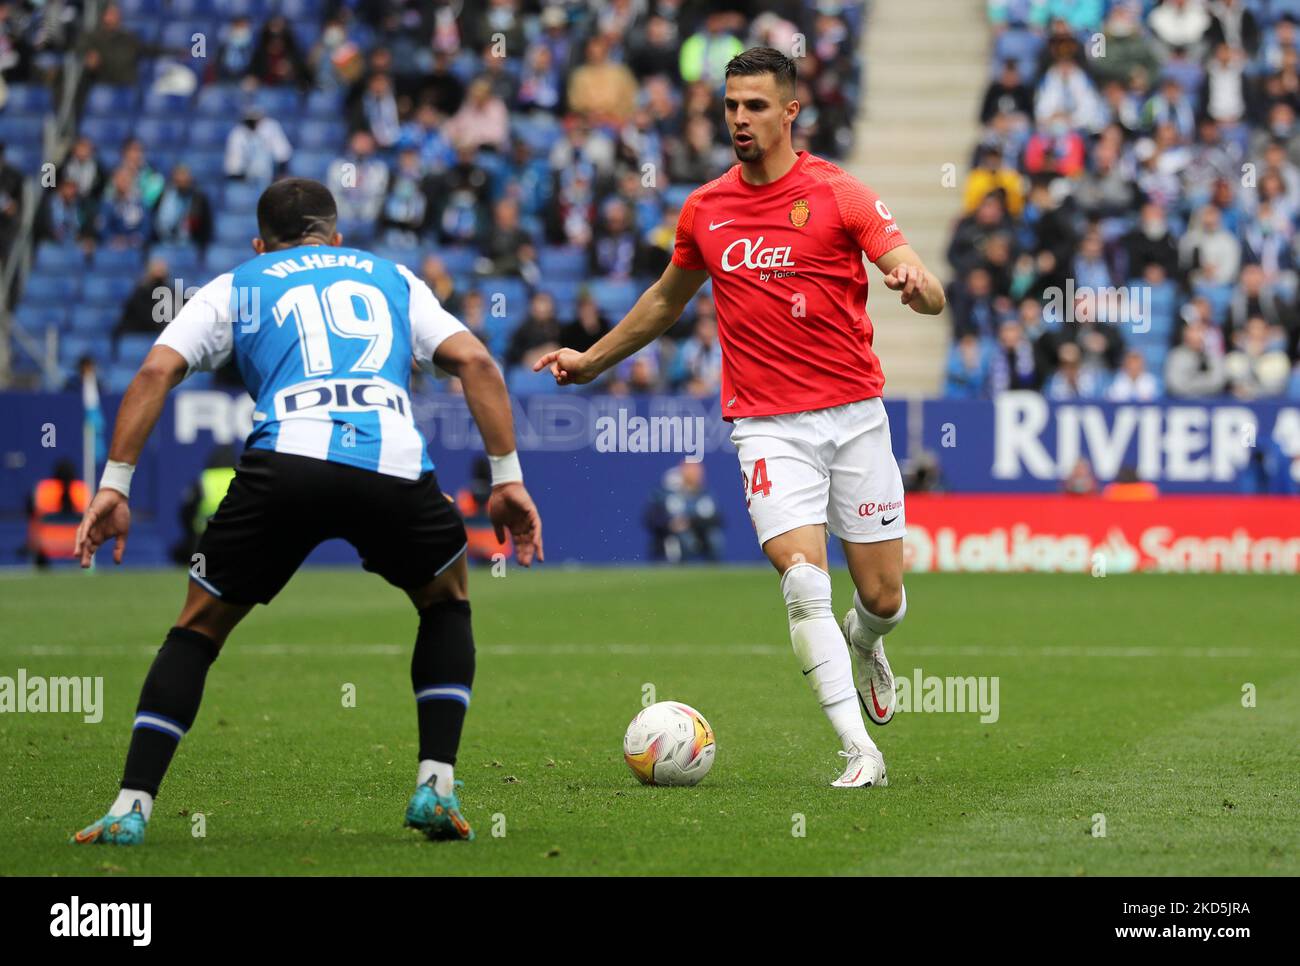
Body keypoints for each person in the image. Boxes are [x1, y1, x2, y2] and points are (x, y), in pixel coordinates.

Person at [71, 178, 543, 846]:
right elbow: (477, 362)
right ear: (336, 237)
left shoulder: (239, 282)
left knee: (198, 629)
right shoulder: (392, 278)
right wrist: (506, 479)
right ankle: (435, 787)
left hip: (283, 466)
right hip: (390, 466)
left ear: (261, 242)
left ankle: (131, 807)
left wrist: (114, 486)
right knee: (446, 600)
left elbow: (154, 373)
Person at [535, 48, 945, 789]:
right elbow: (666, 299)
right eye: (730, 106)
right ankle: (861, 751)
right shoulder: (707, 208)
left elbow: (927, 283)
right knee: (803, 579)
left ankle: (867, 640)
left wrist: (917, 286)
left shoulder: (839, 194)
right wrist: (593, 361)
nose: (739, 120)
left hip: (854, 414)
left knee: (881, 596)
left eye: (755, 106)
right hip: (766, 424)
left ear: (791, 111)